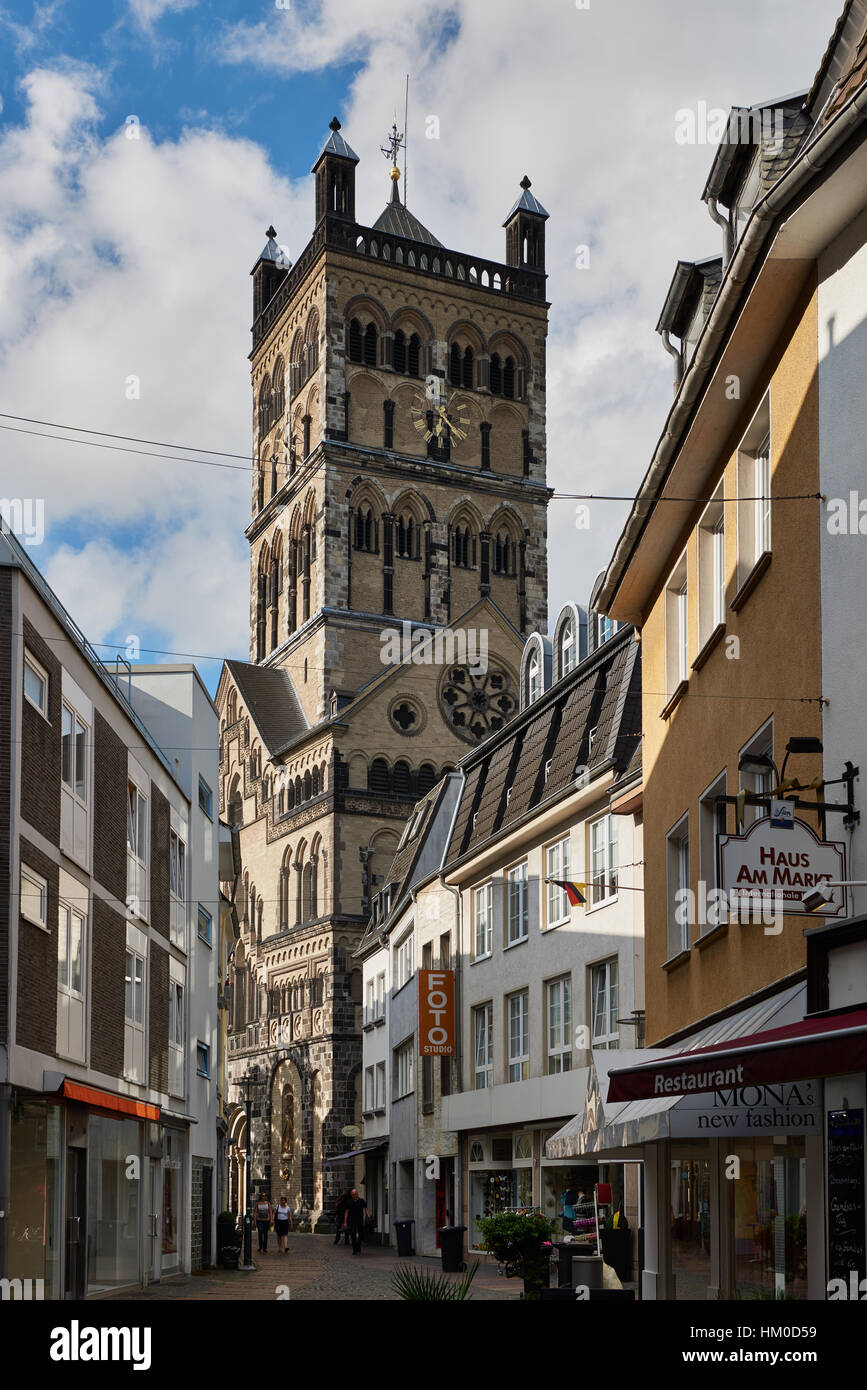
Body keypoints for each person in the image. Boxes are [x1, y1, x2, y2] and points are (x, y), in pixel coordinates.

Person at [343, 1188, 368, 1255]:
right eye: (353, 1194)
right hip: (352, 1221)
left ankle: (358, 1246)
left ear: (357, 1194)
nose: (355, 1195)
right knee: (353, 1235)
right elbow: (346, 1212)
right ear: (351, 1195)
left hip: (360, 1220)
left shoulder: (362, 1201)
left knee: (361, 1235)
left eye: (356, 1194)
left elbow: (366, 1209)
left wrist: (369, 1217)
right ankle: (354, 1249)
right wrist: (345, 1222)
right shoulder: (349, 1202)